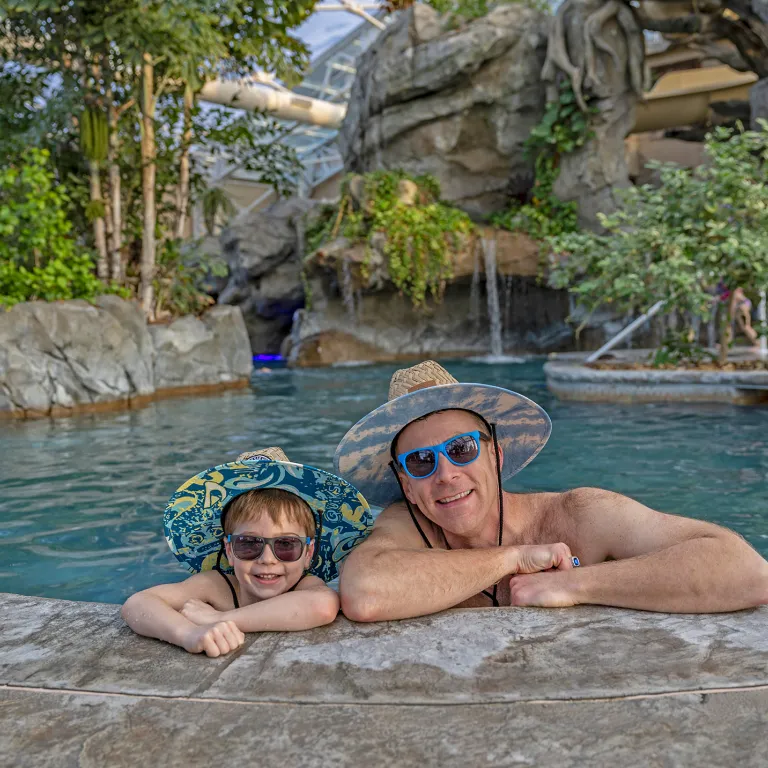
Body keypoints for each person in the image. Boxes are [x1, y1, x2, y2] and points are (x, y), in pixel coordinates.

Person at [335, 361, 768, 621]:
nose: (445, 474)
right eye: (422, 461)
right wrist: (513, 559)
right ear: (408, 487)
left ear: (497, 457)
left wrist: (575, 585)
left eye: (462, 448)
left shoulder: (578, 514)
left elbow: (746, 571)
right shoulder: (408, 526)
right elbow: (365, 593)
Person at [122, 447, 373, 656]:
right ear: (229, 550)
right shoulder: (216, 585)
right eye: (249, 544)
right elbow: (138, 604)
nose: (267, 559)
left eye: (286, 545)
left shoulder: (307, 586)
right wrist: (187, 633)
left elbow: (323, 606)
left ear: (308, 553)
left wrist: (221, 619)